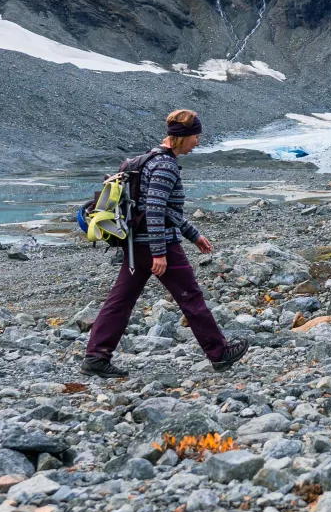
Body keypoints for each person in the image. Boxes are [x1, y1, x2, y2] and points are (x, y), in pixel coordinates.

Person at [83, 110, 248, 378]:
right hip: (158, 246)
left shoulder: (147, 160)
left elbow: (163, 209)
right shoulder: (165, 166)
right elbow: (156, 210)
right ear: (182, 137)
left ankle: (96, 356)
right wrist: (160, 253)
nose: (198, 142)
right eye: (196, 136)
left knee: (120, 300)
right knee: (191, 298)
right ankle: (219, 353)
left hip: (136, 245)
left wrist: (193, 234)